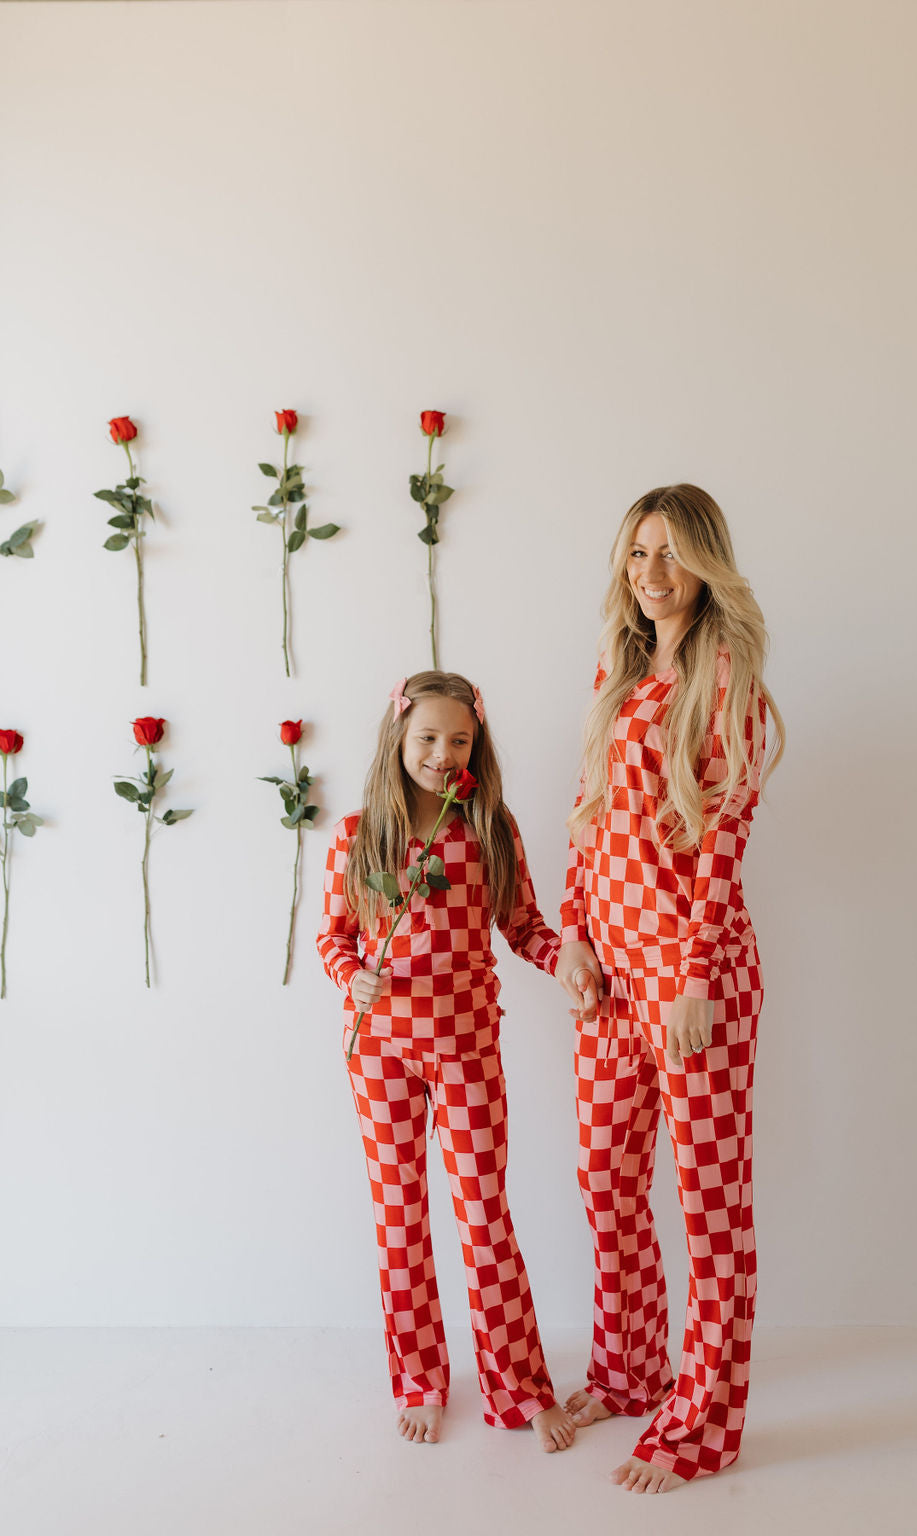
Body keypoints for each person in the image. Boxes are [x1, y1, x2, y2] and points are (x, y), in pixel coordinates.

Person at [555, 484, 784, 1493]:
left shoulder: (725, 673)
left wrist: (691, 976)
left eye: (669, 552)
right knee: (605, 1179)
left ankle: (704, 1424)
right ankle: (631, 1369)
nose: (649, 572)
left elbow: (721, 839)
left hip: (695, 981)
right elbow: (587, 813)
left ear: (705, 562)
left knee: (708, 1204)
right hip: (611, 980)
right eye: (636, 552)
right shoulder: (620, 668)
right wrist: (574, 937)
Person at [317, 670, 576, 1454]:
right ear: (398, 738)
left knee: (483, 1217)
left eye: (458, 740)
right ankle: (421, 1380)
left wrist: (568, 960)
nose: (441, 753)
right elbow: (333, 938)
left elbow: (526, 925)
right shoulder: (359, 836)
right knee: (401, 1219)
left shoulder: (490, 830)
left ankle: (518, 1385)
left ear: (476, 747)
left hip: (466, 1049)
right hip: (381, 1052)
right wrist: (349, 972)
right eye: (427, 738)